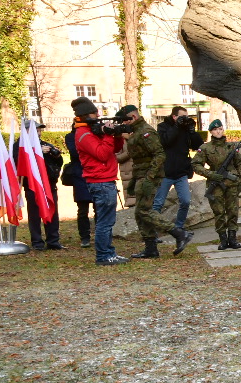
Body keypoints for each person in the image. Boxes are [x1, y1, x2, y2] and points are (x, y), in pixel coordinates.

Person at [125, 104, 191, 257]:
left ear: (133, 117)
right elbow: (138, 158)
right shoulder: (137, 131)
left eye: (125, 120)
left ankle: (179, 233)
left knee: (144, 211)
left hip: (149, 177)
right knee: (140, 213)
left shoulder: (146, 131)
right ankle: (151, 248)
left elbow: (159, 154)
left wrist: (150, 177)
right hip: (141, 175)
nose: (123, 123)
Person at [71, 97, 130, 265]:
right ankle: (104, 255)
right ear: (86, 115)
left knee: (108, 221)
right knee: (104, 222)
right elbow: (102, 154)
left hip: (105, 180)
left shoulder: (91, 130)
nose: (98, 115)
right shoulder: (83, 134)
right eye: (94, 113)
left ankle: (109, 253)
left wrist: (116, 136)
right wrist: (109, 136)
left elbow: (114, 149)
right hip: (100, 181)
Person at [191, 120, 241, 250]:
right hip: (215, 184)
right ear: (211, 132)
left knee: (232, 211)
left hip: (231, 184)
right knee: (219, 212)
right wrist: (210, 174)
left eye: (220, 129)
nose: (218, 131)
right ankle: (223, 239)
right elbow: (196, 164)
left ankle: (232, 238)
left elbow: (240, 163)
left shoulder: (231, 147)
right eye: (215, 130)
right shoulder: (206, 148)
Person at [14, 127, 64, 250]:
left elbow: (59, 162)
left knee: (52, 211)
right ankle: (37, 242)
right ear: (26, 131)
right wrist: (37, 151)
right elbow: (18, 161)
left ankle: (53, 240)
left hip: (49, 183)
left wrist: (56, 155)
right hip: (32, 185)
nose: (39, 133)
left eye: (40, 130)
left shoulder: (45, 144)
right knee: (34, 214)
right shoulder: (19, 146)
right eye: (35, 130)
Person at [154, 113, 202, 237]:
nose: (184, 119)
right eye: (182, 116)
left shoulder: (185, 129)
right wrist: (176, 126)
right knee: (158, 203)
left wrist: (192, 131)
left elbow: (198, 146)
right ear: (174, 116)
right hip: (165, 172)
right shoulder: (163, 126)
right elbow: (165, 141)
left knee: (185, 201)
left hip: (181, 172)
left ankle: (179, 228)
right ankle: (152, 232)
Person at [62, 124, 94, 248]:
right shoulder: (71, 137)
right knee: (82, 210)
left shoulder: (92, 134)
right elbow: (75, 153)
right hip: (80, 175)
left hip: (93, 173)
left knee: (98, 207)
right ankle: (85, 237)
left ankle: (100, 235)